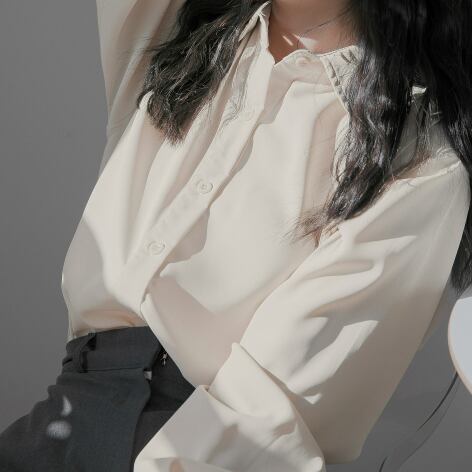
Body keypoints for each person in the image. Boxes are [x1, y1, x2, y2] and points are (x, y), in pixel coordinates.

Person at [1, 0, 471, 471]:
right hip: (64, 415)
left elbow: (270, 403)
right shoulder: (179, 33)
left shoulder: (420, 156)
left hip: (185, 444)